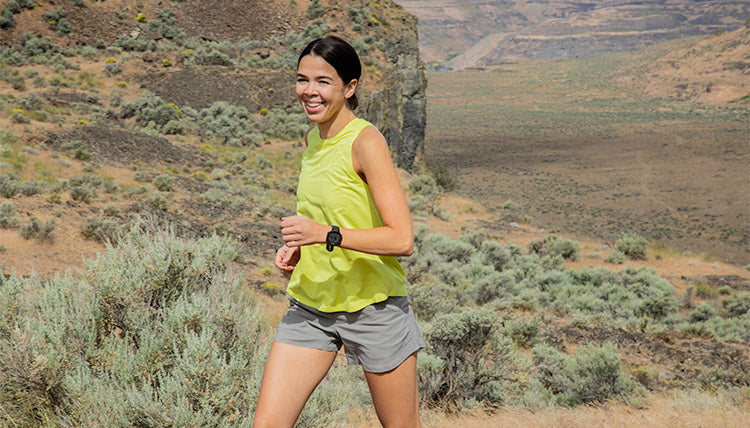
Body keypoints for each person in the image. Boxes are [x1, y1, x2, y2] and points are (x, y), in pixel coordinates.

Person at [252, 35, 425, 428]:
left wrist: (324, 234)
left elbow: (402, 239)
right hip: (311, 307)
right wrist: (300, 250)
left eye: (323, 81)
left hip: (374, 309)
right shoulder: (312, 138)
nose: (309, 91)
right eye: (302, 79)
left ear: (349, 88)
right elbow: (322, 219)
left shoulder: (366, 141)